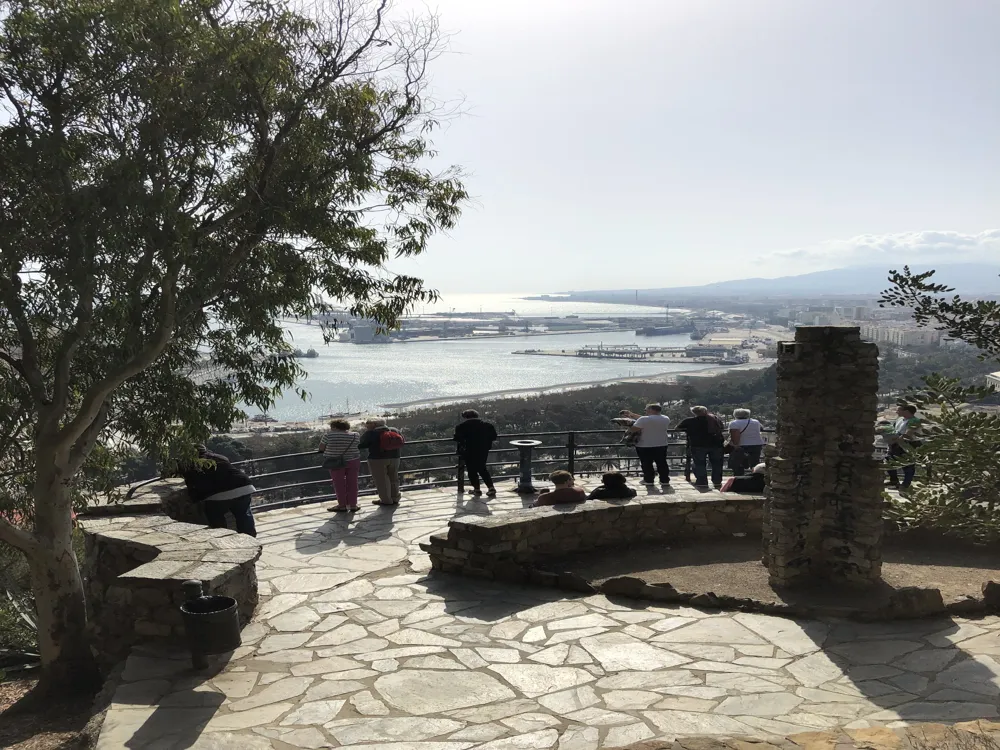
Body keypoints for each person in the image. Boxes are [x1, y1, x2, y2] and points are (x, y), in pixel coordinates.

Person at [181, 445, 257, 536]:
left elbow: (192, 483)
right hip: (243, 486)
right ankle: (250, 537)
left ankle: (222, 537)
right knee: (243, 514)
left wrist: (195, 498)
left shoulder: (190, 464)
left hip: (218, 494)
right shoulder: (219, 457)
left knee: (214, 514)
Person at [317, 418, 361, 512]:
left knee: (339, 484)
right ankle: (353, 505)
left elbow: (321, 448)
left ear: (334, 427)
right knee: (353, 483)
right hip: (353, 460)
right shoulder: (355, 435)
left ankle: (342, 505)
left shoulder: (328, 435)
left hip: (335, 462)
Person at [677, 405, 726, 488]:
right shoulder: (715, 419)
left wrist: (688, 430)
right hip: (716, 444)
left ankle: (702, 482)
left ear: (694, 412)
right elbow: (722, 427)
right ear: (705, 411)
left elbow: (677, 428)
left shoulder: (689, 421)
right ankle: (717, 481)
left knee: (700, 464)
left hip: (698, 445)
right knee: (717, 464)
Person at [453, 409, 498, 497]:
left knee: (471, 470)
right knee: (482, 468)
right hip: (483, 450)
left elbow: (457, 438)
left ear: (465, 417)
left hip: (468, 451)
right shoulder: (487, 425)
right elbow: (494, 436)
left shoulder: (461, 427)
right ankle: (491, 488)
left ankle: (477, 489)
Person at [623, 404, 672, 485]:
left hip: (645, 445)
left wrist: (626, 425)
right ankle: (664, 480)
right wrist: (632, 414)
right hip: (661, 444)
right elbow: (647, 419)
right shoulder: (666, 418)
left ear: (651, 410)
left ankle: (649, 480)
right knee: (662, 463)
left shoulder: (644, 419)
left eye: (646, 410)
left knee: (647, 463)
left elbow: (634, 429)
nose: (645, 411)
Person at [359, 418, 403, 506]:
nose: (366, 425)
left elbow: (361, 444)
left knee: (381, 480)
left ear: (374, 425)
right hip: (395, 457)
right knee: (393, 478)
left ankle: (386, 500)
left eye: (368, 423)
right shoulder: (395, 430)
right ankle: (395, 498)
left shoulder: (371, 433)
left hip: (377, 459)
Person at [884, 404, 922, 489]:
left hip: (909, 444)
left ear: (906, 412)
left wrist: (895, 440)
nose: (897, 412)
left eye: (899, 410)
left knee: (908, 465)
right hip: (897, 443)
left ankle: (905, 484)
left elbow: (908, 434)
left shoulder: (914, 421)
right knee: (889, 460)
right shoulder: (900, 419)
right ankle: (894, 480)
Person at [728, 408, 765, 476]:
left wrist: (735, 446)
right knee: (755, 464)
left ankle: (739, 479)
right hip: (756, 444)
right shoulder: (756, 422)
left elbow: (735, 437)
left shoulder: (734, 423)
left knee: (738, 464)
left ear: (735, 415)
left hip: (742, 446)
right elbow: (761, 428)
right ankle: (756, 478)